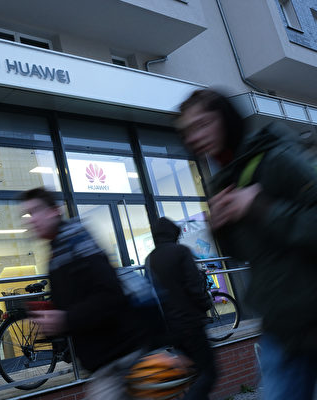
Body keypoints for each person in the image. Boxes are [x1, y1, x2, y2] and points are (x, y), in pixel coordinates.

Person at [177, 89, 317, 399]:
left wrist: (259, 206)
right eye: (188, 131)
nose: (195, 137)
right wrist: (221, 228)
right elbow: (246, 253)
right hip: (281, 327)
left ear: (226, 119)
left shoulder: (276, 157)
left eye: (203, 124)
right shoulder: (225, 180)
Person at [19, 187, 151, 399]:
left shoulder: (77, 242)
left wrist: (64, 319)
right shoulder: (56, 253)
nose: (30, 220)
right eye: (27, 214)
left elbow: (111, 296)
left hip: (121, 357)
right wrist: (52, 321)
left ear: (54, 211)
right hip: (103, 362)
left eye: (35, 211)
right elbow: (73, 304)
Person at [146, 217, 216, 400]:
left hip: (171, 328)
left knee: (193, 374)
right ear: (173, 233)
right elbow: (194, 285)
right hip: (191, 323)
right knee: (209, 373)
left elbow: (150, 294)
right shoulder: (181, 251)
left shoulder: (150, 259)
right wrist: (206, 304)